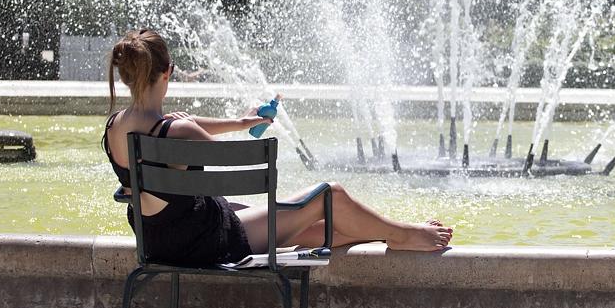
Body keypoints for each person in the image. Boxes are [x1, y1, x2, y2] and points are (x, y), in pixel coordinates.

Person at [104, 28, 452, 265]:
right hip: (207, 243)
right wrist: (198, 126)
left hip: (159, 243)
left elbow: (177, 131)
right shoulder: (178, 132)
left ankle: (387, 234)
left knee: (316, 228)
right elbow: (233, 160)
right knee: (329, 195)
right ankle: (401, 234)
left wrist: (242, 123)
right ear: (168, 72)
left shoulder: (115, 128)